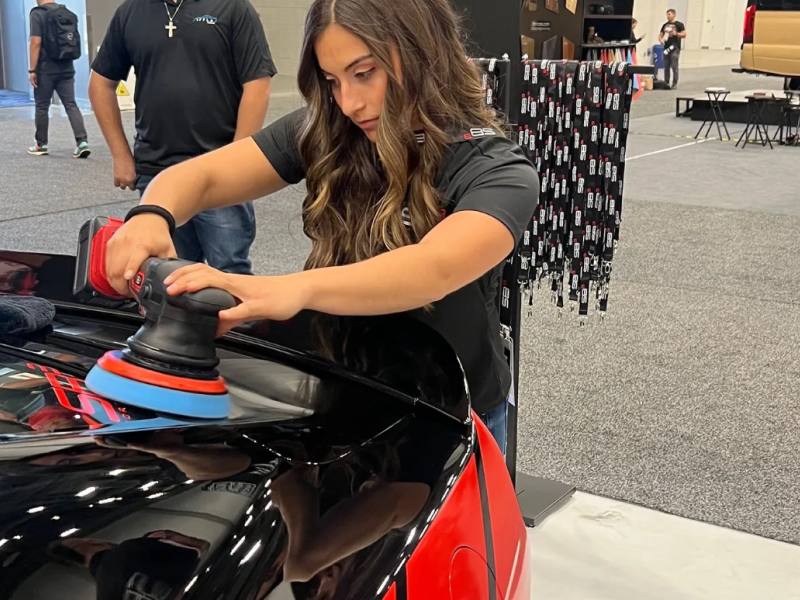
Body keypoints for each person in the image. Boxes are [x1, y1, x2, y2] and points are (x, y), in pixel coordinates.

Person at [103, 0, 540, 452]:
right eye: (333, 81)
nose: (350, 103)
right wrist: (151, 214)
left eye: (365, 73)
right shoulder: (326, 131)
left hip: (454, 417)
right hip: (348, 392)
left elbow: (433, 270)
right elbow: (204, 175)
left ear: (422, 53)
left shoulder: (498, 169)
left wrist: (292, 289)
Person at [88, 0, 277, 276]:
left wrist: (239, 161)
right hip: (157, 173)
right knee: (168, 274)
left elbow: (257, 86)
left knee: (230, 271)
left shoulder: (232, 7)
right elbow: (100, 84)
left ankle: (234, 322)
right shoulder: (130, 12)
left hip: (220, 173)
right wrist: (120, 155)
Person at [27, 0, 91, 158]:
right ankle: (82, 142)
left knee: (42, 106)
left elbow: (35, 42)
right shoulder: (64, 11)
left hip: (46, 69)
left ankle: (41, 145)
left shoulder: (37, 13)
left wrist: (32, 69)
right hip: (67, 66)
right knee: (70, 104)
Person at [659, 9, 687, 89]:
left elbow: (684, 34)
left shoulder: (679, 24)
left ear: (674, 15)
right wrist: (661, 40)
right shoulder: (665, 25)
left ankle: (674, 83)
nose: (668, 16)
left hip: (675, 48)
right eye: (667, 14)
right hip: (666, 47)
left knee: (674, 66)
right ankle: (666, 82)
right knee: (666, 66)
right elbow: (660, 35)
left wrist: (676, 34)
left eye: (669, 14)